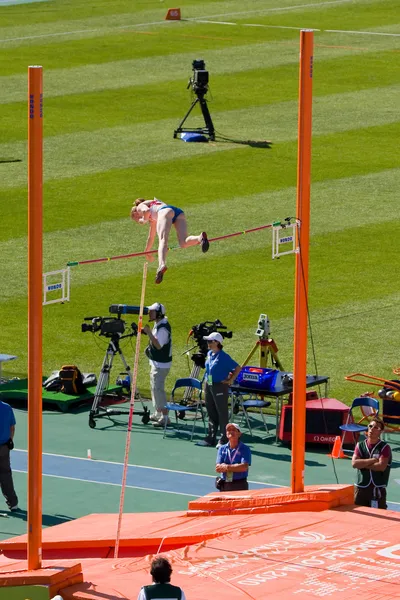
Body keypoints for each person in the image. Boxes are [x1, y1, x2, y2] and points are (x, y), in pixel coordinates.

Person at [131, 198, 209, 284]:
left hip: (164, 211)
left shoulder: (140, 207)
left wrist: (143, 220)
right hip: (177, 212)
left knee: (163, 240)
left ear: (135, 212)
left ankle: (161, 265)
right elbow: (151, 236)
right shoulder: (153, 215)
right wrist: (147, 251)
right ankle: (200, 237)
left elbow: (146, 211)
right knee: (183, 243)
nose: (138, 220)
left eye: (136, 218)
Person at [198, 332, 242, 447]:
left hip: (220, 386)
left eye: (210, 341)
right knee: (211, 410)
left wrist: (231, 380)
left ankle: (224, 439)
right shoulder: (209, 354)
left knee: (222, 412)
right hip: (209, 384)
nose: (207, 343)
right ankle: (211, 437)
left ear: (217, 342)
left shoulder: (224, 357)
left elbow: (237, 368)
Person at [142, 302, 172, 428]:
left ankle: (165, 417)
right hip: (157, 363)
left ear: (159, 313)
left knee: (158, 390)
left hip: (161, 365)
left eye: (152, 311)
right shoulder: (158, 324)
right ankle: (158, 412)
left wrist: (148, 332)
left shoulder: (163, 328)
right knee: (154, 389)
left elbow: (159, 345)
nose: (150, 313)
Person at [352, 417, 392, 509]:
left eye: (376, 428)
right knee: (358, 517)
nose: (372, 429)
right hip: (361, 488)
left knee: (379, 518)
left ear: (380, 431)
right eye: (370, 426)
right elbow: (354, 464)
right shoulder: (360, 445)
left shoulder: (384, 447)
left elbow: (381, 466)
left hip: (377, 488)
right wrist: (373, 460)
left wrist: (363, 464)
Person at [215, 423, 252, 491]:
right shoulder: (222, 449)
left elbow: (243, 467)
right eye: (229, 430)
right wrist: (235, 466)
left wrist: (226, 467)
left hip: (240, 484)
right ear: (226, 434)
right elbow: (218, 468)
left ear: (239, 434)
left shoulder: (245, 449)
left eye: (234, 430)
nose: (231, 431)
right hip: (225, 484)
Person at [0, 399, 19, 511]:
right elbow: (12, 427)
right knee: (6, 475)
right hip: (4, 447)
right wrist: (10, 440)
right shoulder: (7, 407)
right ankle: (13, 503)